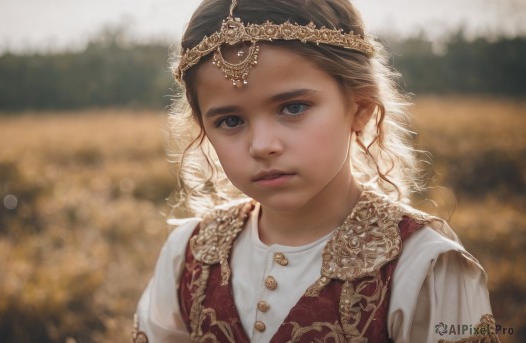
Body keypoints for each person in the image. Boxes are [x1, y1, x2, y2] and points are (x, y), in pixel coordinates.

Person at [132, 0, 500, 342]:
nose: (262, 145)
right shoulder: (189, 254)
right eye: (230, 120)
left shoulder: (422, 267)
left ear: (360, 107)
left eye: (293, 108)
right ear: (204, 130)